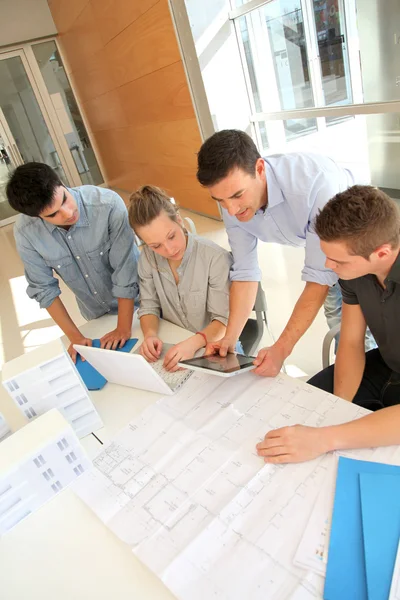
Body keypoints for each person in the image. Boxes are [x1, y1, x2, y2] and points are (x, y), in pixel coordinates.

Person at [196, 129, 374, 377]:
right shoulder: (231, 203)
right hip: (322, 245)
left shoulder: (316, 185)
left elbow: (318, 278)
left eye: (237, 195)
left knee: (360, 324)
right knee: (337, 318)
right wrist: (231, 337)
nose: (232, 210)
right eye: (220, 200)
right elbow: (246, 273)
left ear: (259, 169)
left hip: (359, 243)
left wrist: (281, 349)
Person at [256, 185, 400, 464]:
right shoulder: (354, 272)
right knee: (304, 407)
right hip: (385, 365)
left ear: (382, 253)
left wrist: (327, 437)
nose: (327, 264)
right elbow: (350, 341)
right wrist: (335, 408)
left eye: (338, 260)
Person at [7, 162, 139, 362]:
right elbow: (44, 289)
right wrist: (75, 337)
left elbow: (126, 270)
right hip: (95, 314)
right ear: (37, 217)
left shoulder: (108, 205)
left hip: (141, 305)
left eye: (65, 200)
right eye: (53, 214)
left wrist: (123, 327)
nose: (68, 213)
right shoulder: (26, 233)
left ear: (61, 183)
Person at [128, 185, 232, 372]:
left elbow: (223, 321)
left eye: (171, 236)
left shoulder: (215, 258)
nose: (168, 250)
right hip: (175, 345)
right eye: (156, 245)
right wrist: (150, 334)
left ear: (179, 221)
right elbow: (149, 306)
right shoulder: (147, 258)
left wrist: (192, 345)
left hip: (215, 347)